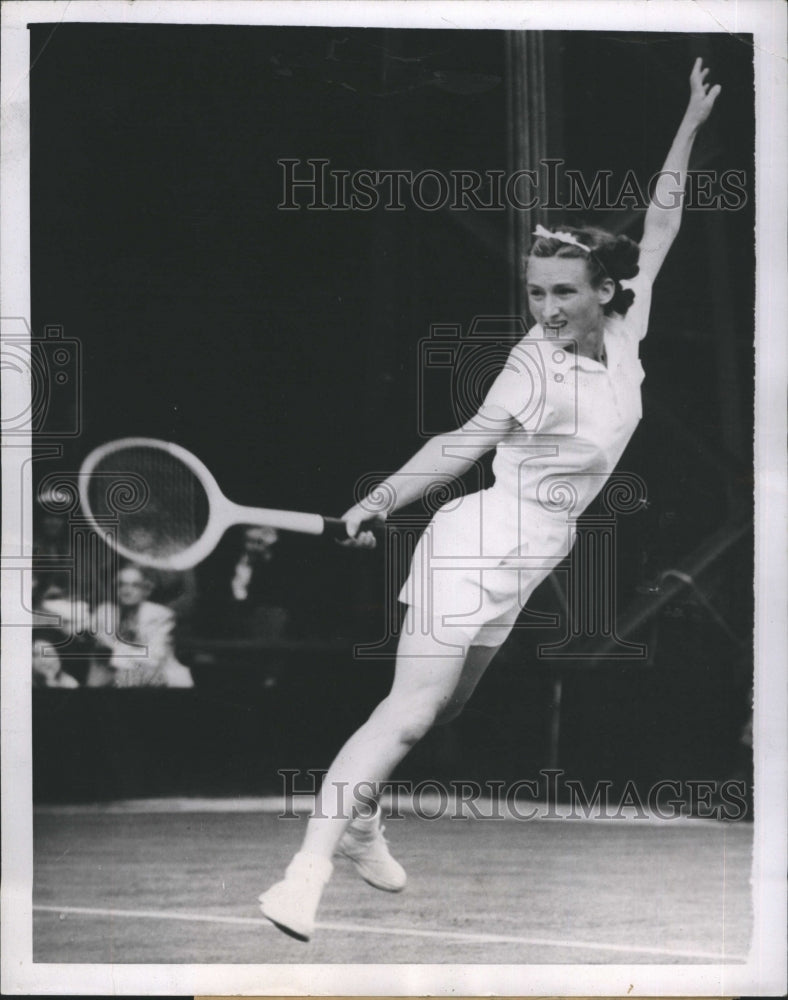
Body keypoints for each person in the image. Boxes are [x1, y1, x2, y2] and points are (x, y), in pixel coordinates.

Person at [260, 59, 721, 940]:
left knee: (448, 708)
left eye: (560, 292)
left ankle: (361, 821)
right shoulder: (529, 366)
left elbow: (662, 219)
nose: (544, 308)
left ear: (605, 294)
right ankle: (306, 871)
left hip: (532, 558)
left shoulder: (628, 334)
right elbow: (458, 445)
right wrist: (381, 500)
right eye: (534, 292)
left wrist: (691, 123)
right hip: (472, 542)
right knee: (407, 712)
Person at [87, 564, 194, 688]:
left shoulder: (160, 615)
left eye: (135, 585)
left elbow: (153, 659)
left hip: (158, 681)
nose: (126, 591)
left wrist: (112, 647)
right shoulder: (104, 612)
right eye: (121, 585)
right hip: (112, 679)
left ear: (146, 590)